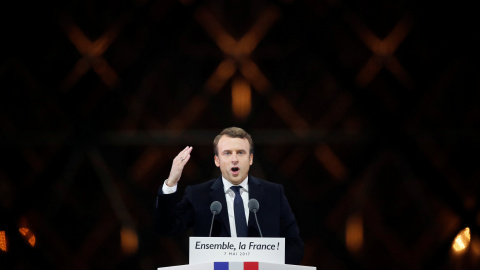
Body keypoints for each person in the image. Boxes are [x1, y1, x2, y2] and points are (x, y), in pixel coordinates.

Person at [155, 127, 304, 264]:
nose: (234, 159)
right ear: (217, 160)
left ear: (250, 159)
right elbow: (168, 227)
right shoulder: (198, 195)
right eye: (227, 153)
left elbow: (294, 245)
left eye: (240, 152)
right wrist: (171, 182)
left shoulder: (273, 193)